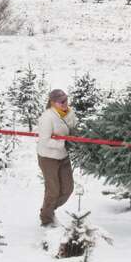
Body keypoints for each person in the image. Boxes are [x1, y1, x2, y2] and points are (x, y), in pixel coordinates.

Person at [37, 88, 78, 227]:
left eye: (66, 99)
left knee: (68, 189)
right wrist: (63, 143)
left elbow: (73, 129)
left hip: (63, 156)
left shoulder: (70, 113)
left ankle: (48, 210)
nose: (65, 103)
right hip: (48, 158)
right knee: (53, 190)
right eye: (61, 101)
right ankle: (46, 220)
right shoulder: (47, 118)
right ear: (53, 103)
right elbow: (44, 141)